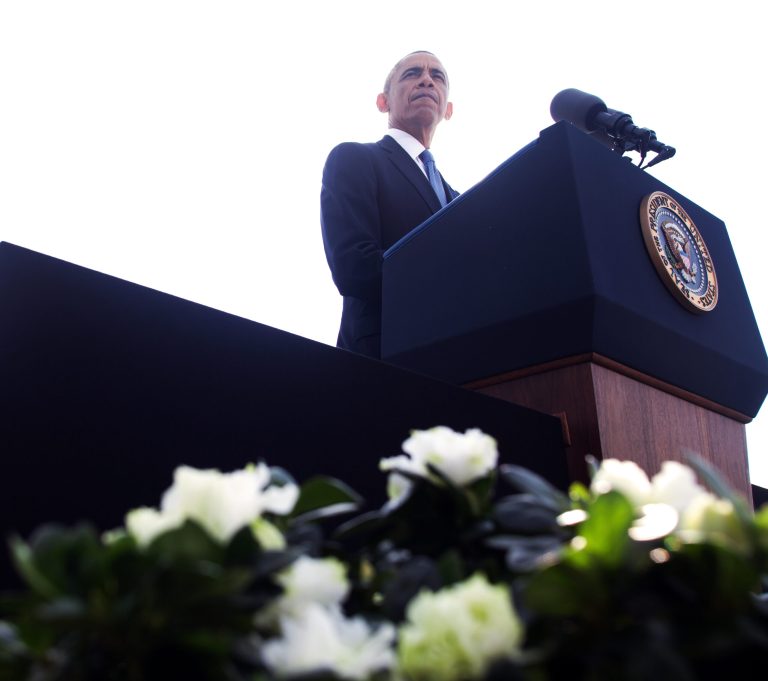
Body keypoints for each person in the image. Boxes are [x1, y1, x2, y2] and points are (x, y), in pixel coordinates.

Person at [321, 51, 458, 359]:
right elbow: (354, 267)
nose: (426, 79)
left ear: (448, 109)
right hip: (382, 361)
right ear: (383, 101)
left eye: (438, 77)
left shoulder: (459, 200)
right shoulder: (354, 159)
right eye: (412, 74)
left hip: (460, 365)